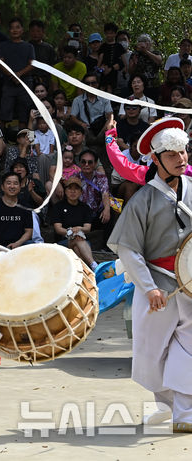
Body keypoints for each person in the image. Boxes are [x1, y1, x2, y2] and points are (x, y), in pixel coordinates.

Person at [107, 117, 192, 433]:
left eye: (184, 152)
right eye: (173, 154)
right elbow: (128, 249)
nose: (182, 159)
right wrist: (148, 288)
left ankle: (185, 412)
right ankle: (166, 406)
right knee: (152, 353)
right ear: (155, 159)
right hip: (156, 282)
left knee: (188, 348)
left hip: (190, 283)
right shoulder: (142, 199)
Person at [49, 176, 96, 269]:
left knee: (77, 248)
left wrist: (79, 229)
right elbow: (58, 229)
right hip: (63, 241)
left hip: (82, 242)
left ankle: (81, 272)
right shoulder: (58, 207)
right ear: (65, 191)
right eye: (70, 188)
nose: (73, 191)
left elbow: (87, 228)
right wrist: (71, 232)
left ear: (81, 192)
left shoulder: (85, 208)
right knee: (77, 238)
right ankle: (93, 265)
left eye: (76, 189)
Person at [0, 18, 35, 128]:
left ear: (22, 30)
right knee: (4, 113)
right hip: (8, 83)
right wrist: (13, 75)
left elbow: (32, 64)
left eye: (17, 27)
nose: (15, 30)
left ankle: (24, 142)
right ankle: (0, 140)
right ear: (9, 30)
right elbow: (0, 64)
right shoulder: (3, 45)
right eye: (12, 28)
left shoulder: (29, 46)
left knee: (24, 115)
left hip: (25, 83)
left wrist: (19, 74)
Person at [0, 171, 33, 248]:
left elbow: (29, 231)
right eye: (9, 183)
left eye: (15, 183)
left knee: (31, 245)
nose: (12, 186)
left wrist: (17, 244)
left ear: (20, 187)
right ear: (2, 187)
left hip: (19, 245)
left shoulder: (26, 207)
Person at [128, 34, 163, 101]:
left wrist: (146, 51)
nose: (143, 43)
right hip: (139, 86)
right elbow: (130, 71)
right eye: (141, 41)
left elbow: (159, 61)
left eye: (145, 41)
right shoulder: (135, 54)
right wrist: (134, 64)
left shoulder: (156, 52)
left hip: (153, 85)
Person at [28, 19, 56, 88]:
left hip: (44, 81)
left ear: (43, 32)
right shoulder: (25, 46)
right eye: (33, 31)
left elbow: (52, 67)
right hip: (28, 80)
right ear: (29, 32)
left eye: (38, 31)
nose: (35, 34)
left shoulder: (49, 48)